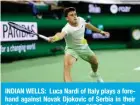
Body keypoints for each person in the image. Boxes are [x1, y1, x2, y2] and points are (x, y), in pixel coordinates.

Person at [47, 7, 110, 82]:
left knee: (95, 63)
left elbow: (87, 25)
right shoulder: (66, 28)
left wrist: (100, 31)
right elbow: (60, 35)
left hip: (84, 47)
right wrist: (54, 38)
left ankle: (94, 74)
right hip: (72, 49)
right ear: (67, 18)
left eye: (75, 14)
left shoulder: (81, 20)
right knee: (67, 66)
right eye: (71, 15)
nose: (74, 16)